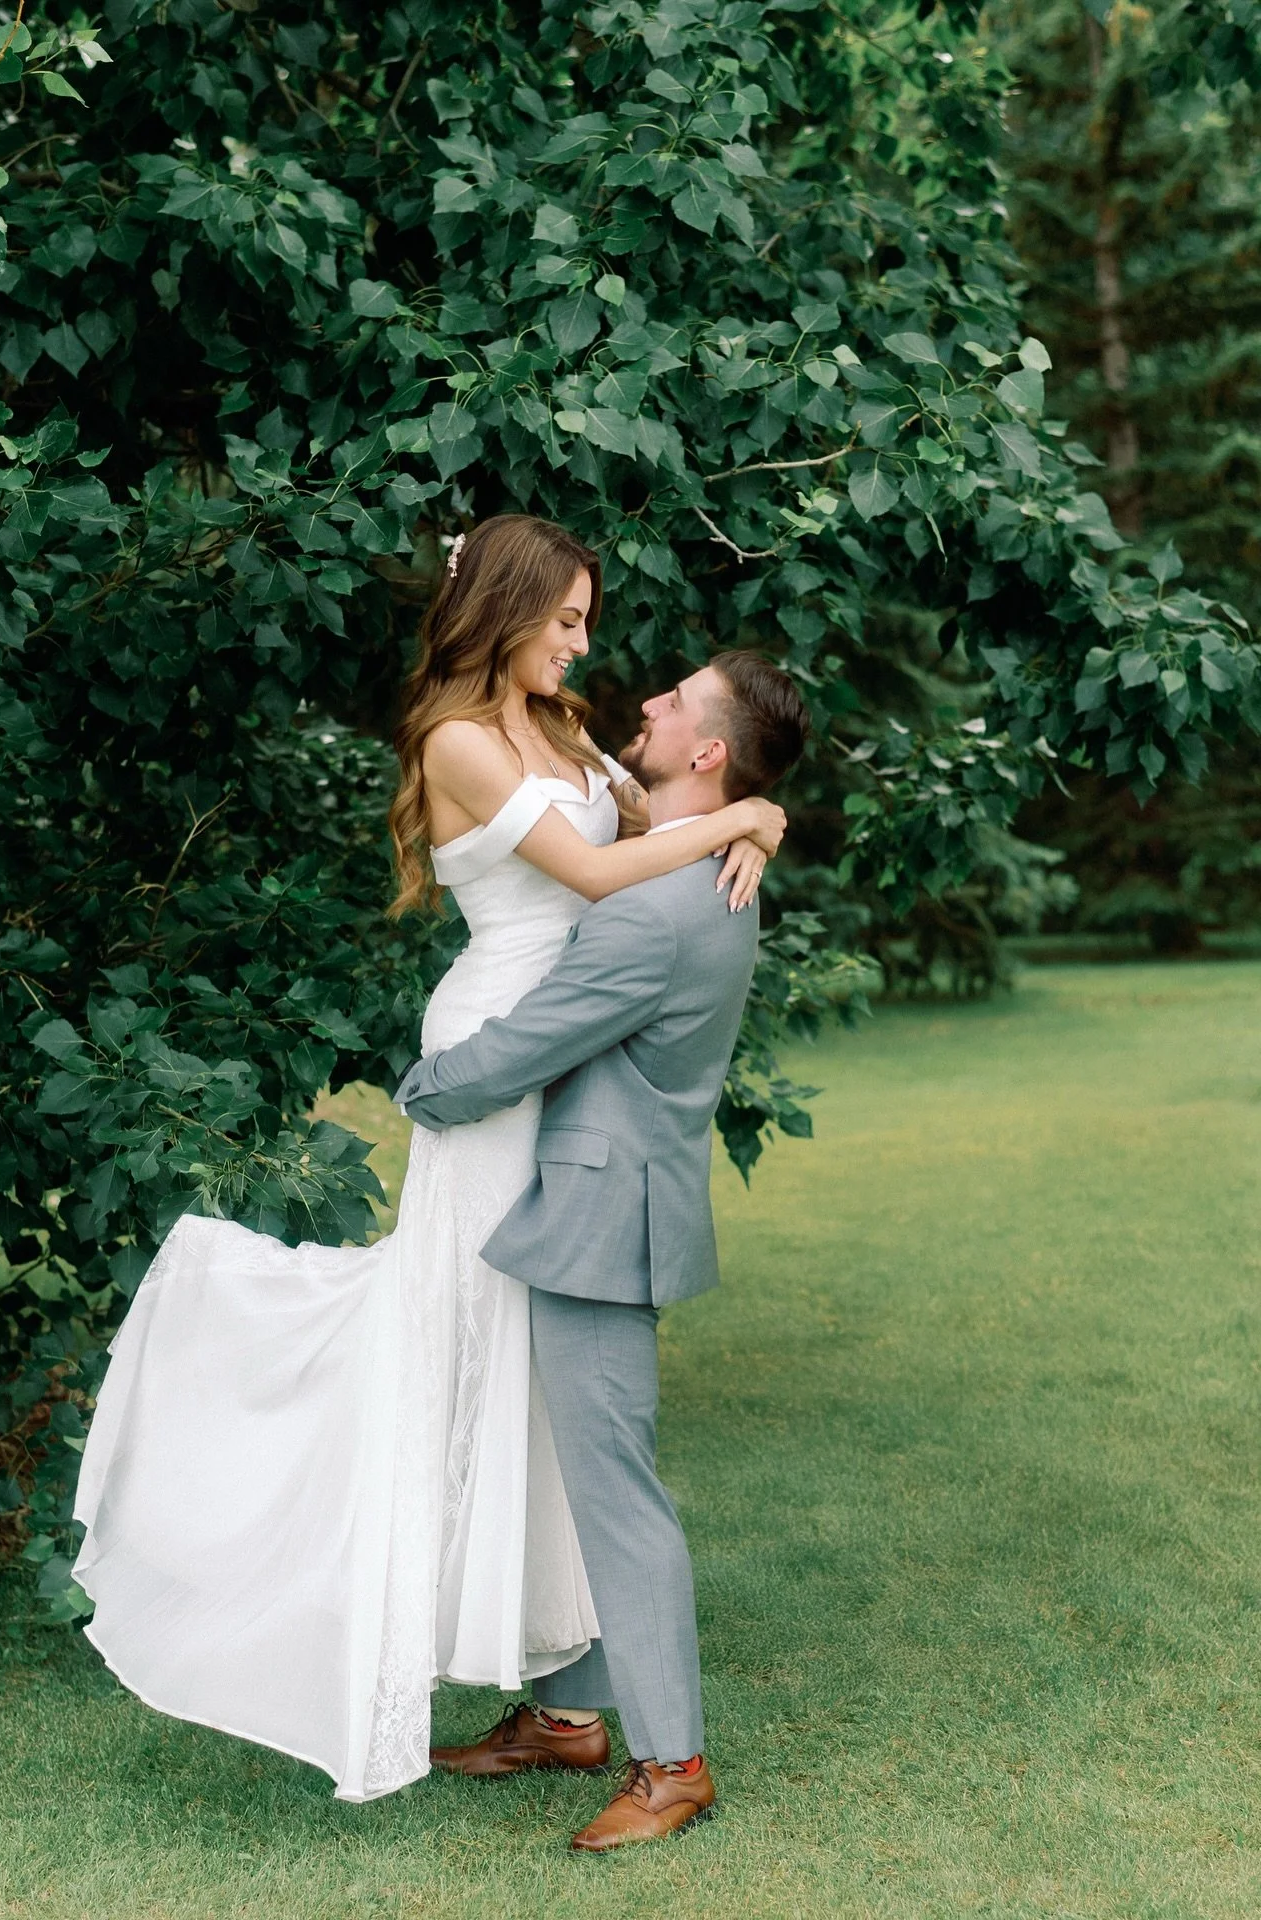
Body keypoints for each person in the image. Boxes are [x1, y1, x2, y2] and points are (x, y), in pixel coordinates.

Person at [71, 514, 788, 1802]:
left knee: (536, 1387)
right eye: (565, 619)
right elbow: (599, 866)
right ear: (504, 612)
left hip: (554, 1062)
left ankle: (570, 1705)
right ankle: (325, 1579)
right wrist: (749, 809)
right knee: (454, 1352)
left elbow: (649, 829)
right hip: (495, 1049)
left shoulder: (567, 733)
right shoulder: (456, 737)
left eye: (584, 619)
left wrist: (740, 813)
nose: (585, 643)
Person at [396, 644, 810, 1851]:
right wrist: (760, 818)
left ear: (708, 754)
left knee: (615, 1494)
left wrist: (424, 1087)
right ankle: (573, 1716)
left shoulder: (655, 914)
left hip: (593, 1221)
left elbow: (527, 1048)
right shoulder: (702, 872)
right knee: (578, 1478)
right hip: (609, 1202)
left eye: (675, 703)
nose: (646, 702)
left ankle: (672, 1761)